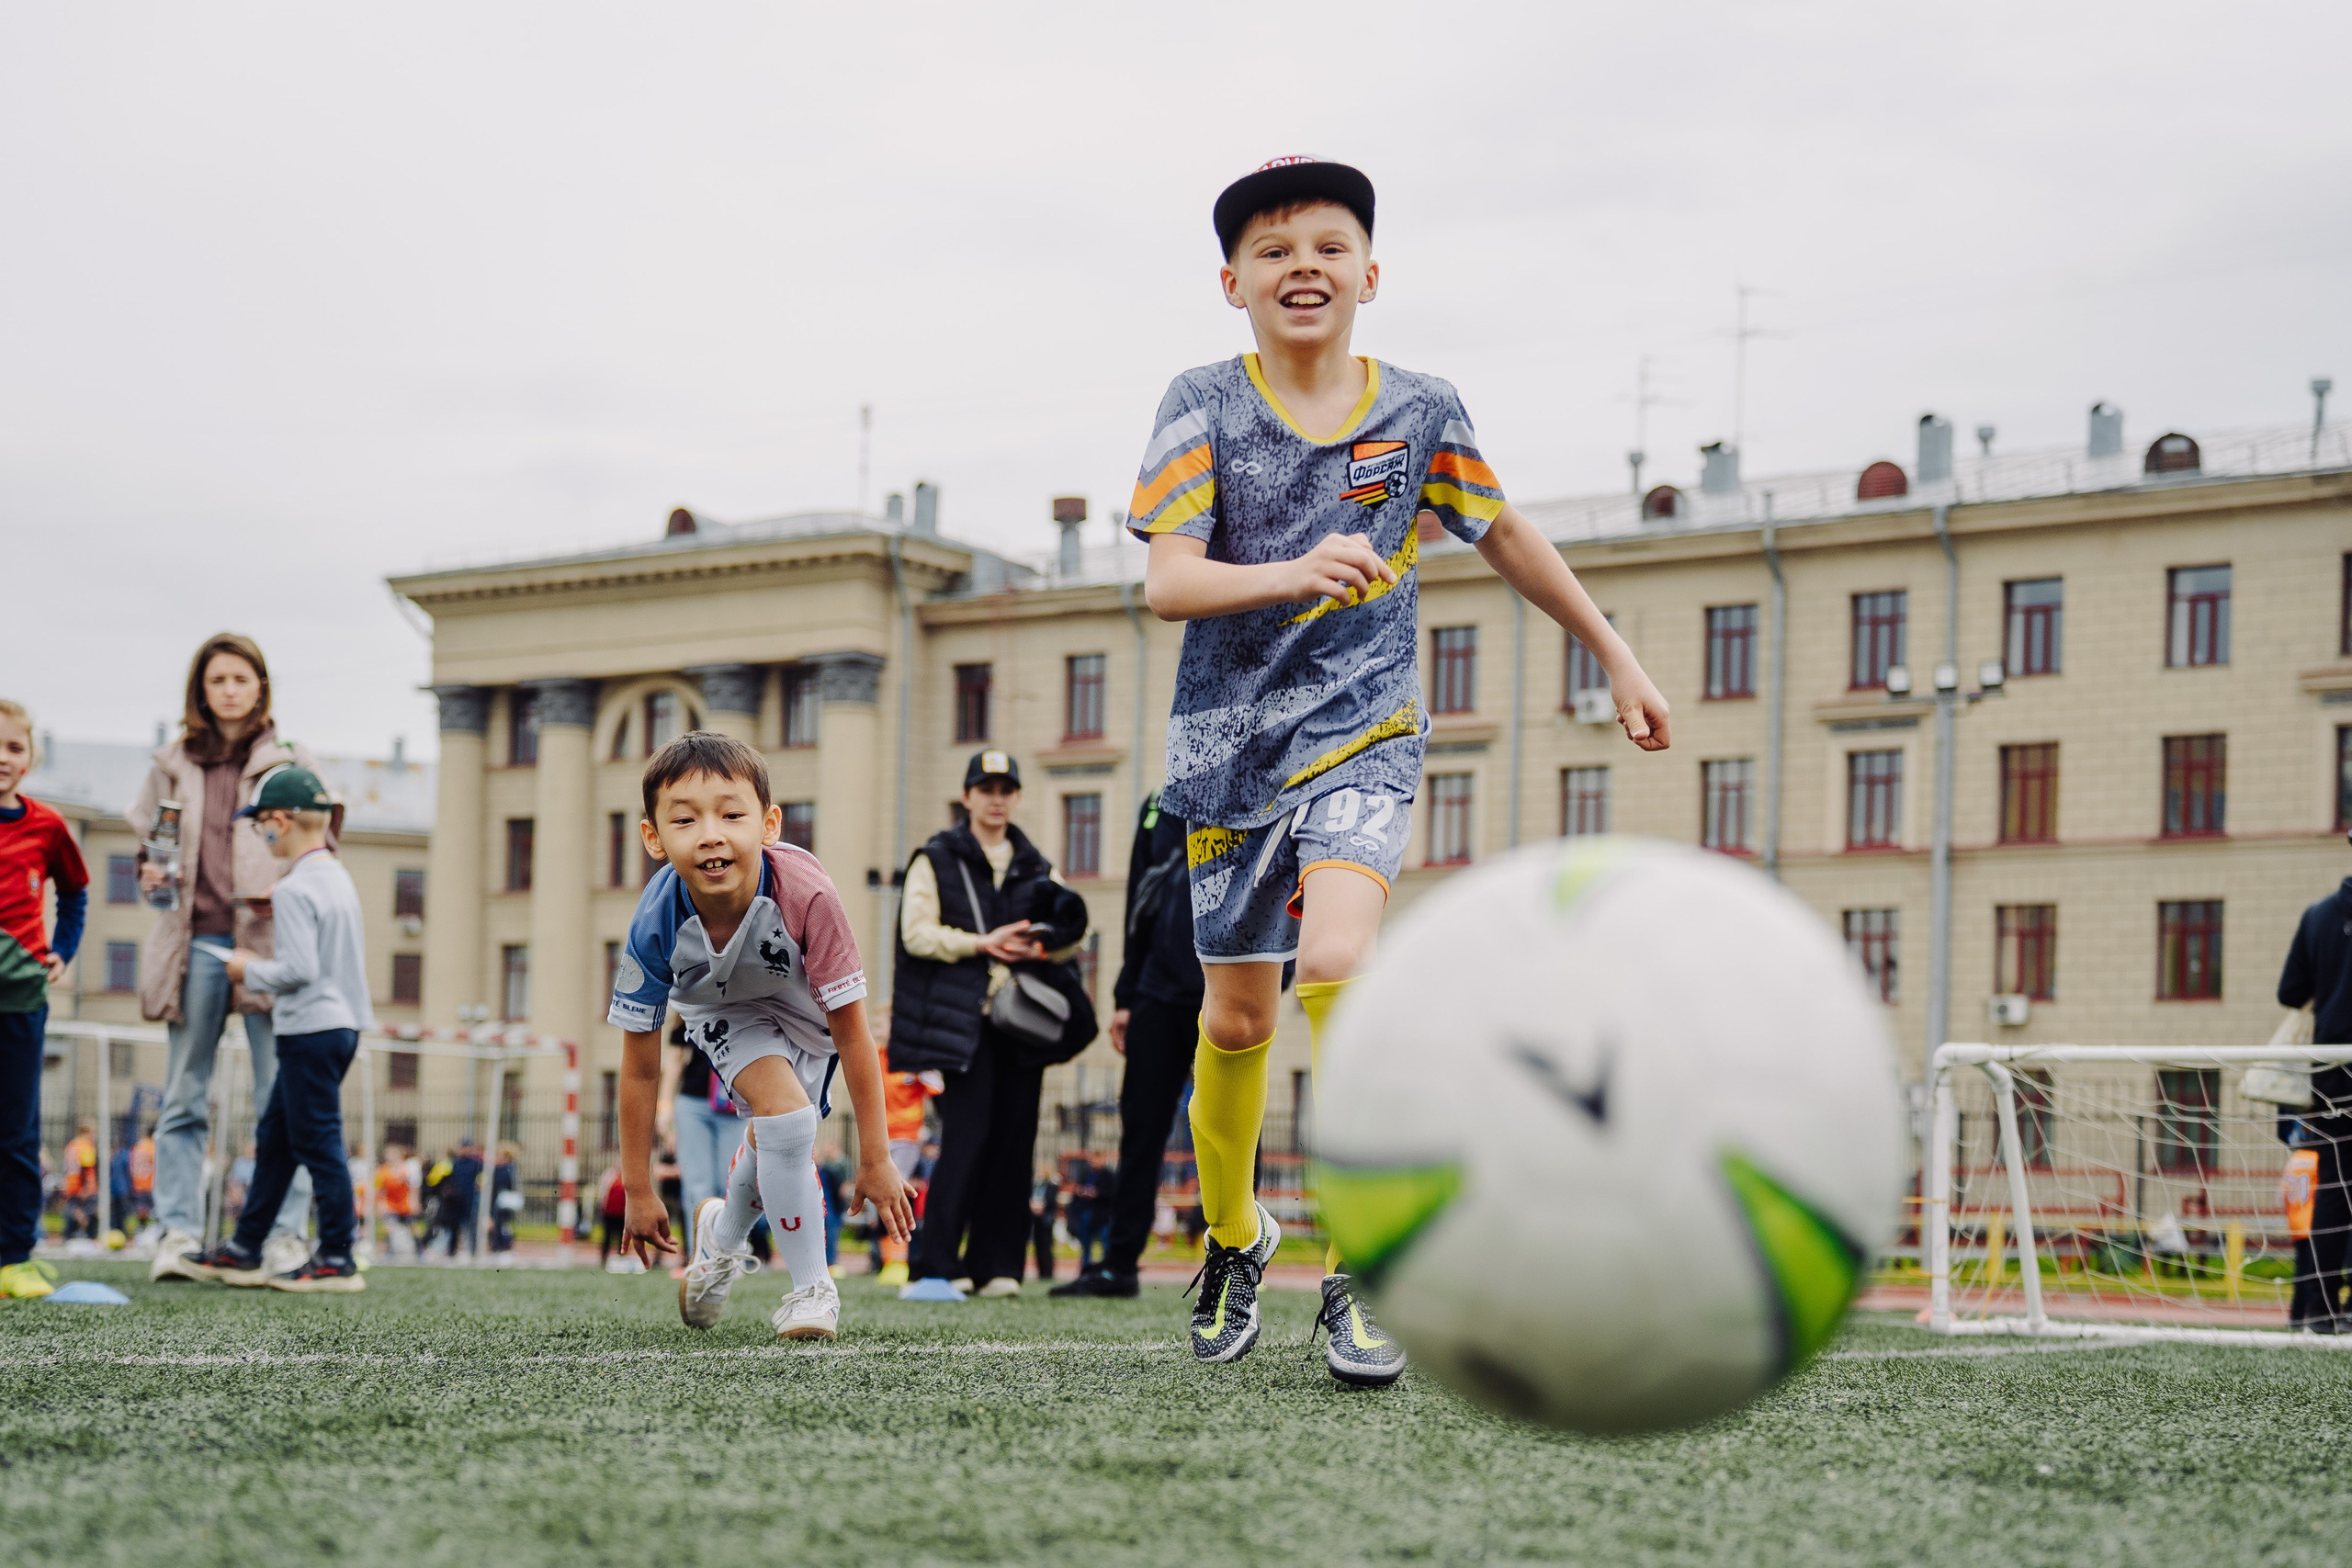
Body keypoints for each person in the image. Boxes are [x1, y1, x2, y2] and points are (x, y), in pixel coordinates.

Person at [1131, 159, 1671, 1385]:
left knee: (1337, 960)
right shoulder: (1200, 402)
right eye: (1273, 250)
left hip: (1366, 731)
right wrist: (1293, 570)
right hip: (1227, 752)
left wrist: (1616, 654)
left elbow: (1505, 531)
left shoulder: (1422, 409)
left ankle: (1368, 1259)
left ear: (1369, 275)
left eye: (1328, 245)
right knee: (1236, 1016)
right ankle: (1234, 1237)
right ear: (1232, 283)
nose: (1302, 266)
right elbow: (1168, 581)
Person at [607, 731, 912, 1339]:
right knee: (789, 1120)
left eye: (731, 814)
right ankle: (812, 1290)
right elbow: (640, 1067)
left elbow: (855, 1036)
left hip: (809, 1014)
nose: (710, 834)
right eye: (685, 819)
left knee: (776, 1135)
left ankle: (720, 1240)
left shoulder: (809, 894)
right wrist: (638, 1187)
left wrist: (876, 1156)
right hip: (723, 1010)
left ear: (769, 824)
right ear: (653, 838)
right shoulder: (654, 923)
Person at [133, 634, 329, 1283]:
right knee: (185, 1094)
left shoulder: (291, 760)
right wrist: (149, 873)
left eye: (241, 678)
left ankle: (283, 1237)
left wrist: (292, 886)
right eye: (217, 679)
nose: (229, 690)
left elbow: (322, 843)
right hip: (195, 943)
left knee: (280, 1097)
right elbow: (150, 846)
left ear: (260, 686)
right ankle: (178, 1234)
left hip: (271, 944)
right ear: (201, 689)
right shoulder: (170, 764)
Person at [888, 750, 1092, 1298]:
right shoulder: (936, 857)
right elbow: (915, 933)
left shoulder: (1037, 864)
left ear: (1017, 798)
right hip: (965, 1025)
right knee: (966, 1139)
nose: (996, 800)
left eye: (1006, 790)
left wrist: (1041, 946)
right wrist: (983, 943)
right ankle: (935, 1264)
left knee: (1016, 1143)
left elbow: (1072, 931)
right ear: (967, 796)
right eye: (986, 789)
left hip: (1022, 1026)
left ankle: (999, 1266)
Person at [180, 766, 373, 1292]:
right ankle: (245, 1248)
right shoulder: (335, 876)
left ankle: (336, 1257)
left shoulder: (294, 889)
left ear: (281, 822)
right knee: (278, 1140)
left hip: (309, 1028)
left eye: (260, 823)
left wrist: (246, 968)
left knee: (318, 1142)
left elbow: (298, 970)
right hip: (341, 1025)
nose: (260, 833)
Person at [1055, 788, 1200, 1299]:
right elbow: (1140, 899)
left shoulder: (1255, 786)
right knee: (1140, 1129)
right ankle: (1120, 1266)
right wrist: (1125, 995)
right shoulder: (1158, 805)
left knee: (1233, 1125)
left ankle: (1241, 1258)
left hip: (1228, 986)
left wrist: (1278, 975)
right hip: (1155, 992)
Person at [0, 702, 87, 1299]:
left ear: (30, 758)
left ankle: (14, 1256)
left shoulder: (48, 826)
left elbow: (75, 893)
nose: (1, 757)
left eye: (13, 746)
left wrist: (63, 950)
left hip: (21, 999)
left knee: (16, 1130)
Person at [2278, 839, 2352, 1331]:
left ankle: (2323, 1310)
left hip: (2330, 1067)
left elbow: (2290, 991)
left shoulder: (2318, 916)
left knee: (2334, 1188)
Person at [657, 1015, 743, 1260]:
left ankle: (728, 1256)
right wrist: (665, 1105)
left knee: (732, 1185)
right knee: (697, 1185)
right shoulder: (691, 1008)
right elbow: (675, 1059)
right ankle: (702, 1259)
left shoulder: (750, 1003)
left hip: (736, 1107)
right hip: (693, 1105)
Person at [873, 1010, 941, 1286]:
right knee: (881, 1196)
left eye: (882, 1022)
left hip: (906, 1138)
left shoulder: (913, 1059)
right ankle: (888, 1260)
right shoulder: (876, 1056)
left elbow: (939, 1092)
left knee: (894, 1194)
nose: (876, 1027)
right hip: (879, 1137)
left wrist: (935, 1141)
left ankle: (898, 1261)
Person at [59, 1120, 99, 1242]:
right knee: (89, 1214)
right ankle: (88, 1238)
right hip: (83, 1186)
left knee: (73, 1213)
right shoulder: (85, 1146)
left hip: (71, 1185)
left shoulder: (71, 1146)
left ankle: (68, 1238)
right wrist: (85, 1187)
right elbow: (85, 1168)